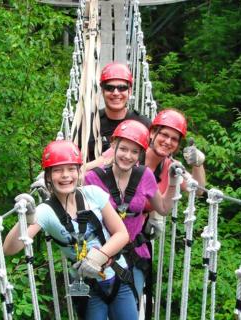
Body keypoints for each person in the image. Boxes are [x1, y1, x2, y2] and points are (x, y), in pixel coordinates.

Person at [3, 140, 139, 320]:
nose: (65, 175)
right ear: (48, 176)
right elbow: (9, 249)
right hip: (88, 288)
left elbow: (122, 234)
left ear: (79, 172)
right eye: (58, 170)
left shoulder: (93, 193)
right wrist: (25, 220)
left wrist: (98, 257)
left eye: (71, 169)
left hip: (118, 277)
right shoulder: (45, 212)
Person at [84, 119, 184, 301]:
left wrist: (173, 182)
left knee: (130, 305)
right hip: (99, 254)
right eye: (123, 149)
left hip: (134, 254)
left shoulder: (145, 175)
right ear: (113, 146)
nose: (128, 156)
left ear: (141, 154)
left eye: (135, 152)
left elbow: (162, 208)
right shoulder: (92, 178)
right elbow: (72, 197)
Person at [144, 108, 206, 236]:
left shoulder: (171, 169)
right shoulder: (129, 154)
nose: (168, 142)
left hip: (136, 231)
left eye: (174, 139)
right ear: (152, 133)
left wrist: (197, 164)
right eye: (164, 135)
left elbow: (198, 190)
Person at [86, 62, 151, 161]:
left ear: (129, 91)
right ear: (102, 91)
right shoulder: (89, 123)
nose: (116, 93)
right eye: (109, 88)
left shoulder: (143, 124)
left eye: (122, 88)